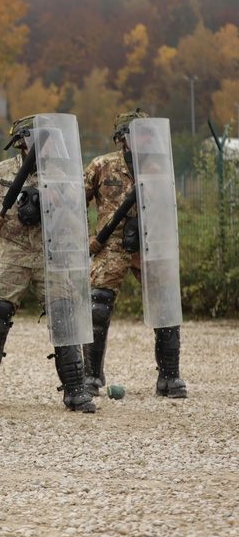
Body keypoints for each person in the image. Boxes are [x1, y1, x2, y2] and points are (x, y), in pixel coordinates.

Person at [0, 115, 97, 413]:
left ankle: (76, 390)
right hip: (11, 254)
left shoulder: (62, 175)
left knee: (63, 317)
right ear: (22, 141)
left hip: (51, 255)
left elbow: (78, 214)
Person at [83, 110, 187, 398]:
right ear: (122, 138)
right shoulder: (102, 165)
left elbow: (169, 209)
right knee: (98, 307)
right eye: (134, 133)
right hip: (111, 245)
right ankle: (91, 375)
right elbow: (73, 202)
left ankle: (170, 376)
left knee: (165, 304)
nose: (141, 138)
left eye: (145, 133)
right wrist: (87, 237)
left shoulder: (158, 167)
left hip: (150, 243)